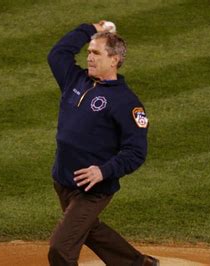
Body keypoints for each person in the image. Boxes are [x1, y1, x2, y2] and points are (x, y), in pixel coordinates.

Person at [47, 20, 158, 266]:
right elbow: (58, 54)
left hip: (93, 189)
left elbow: (136, 152)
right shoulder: (75, 80)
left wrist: (103, 171)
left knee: (60, 248)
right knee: (90, 230)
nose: (89, 58)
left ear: (114, 60)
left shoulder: (126, 103)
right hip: (63, 179)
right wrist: (90, 29)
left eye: (96, 53)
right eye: (88, 52)